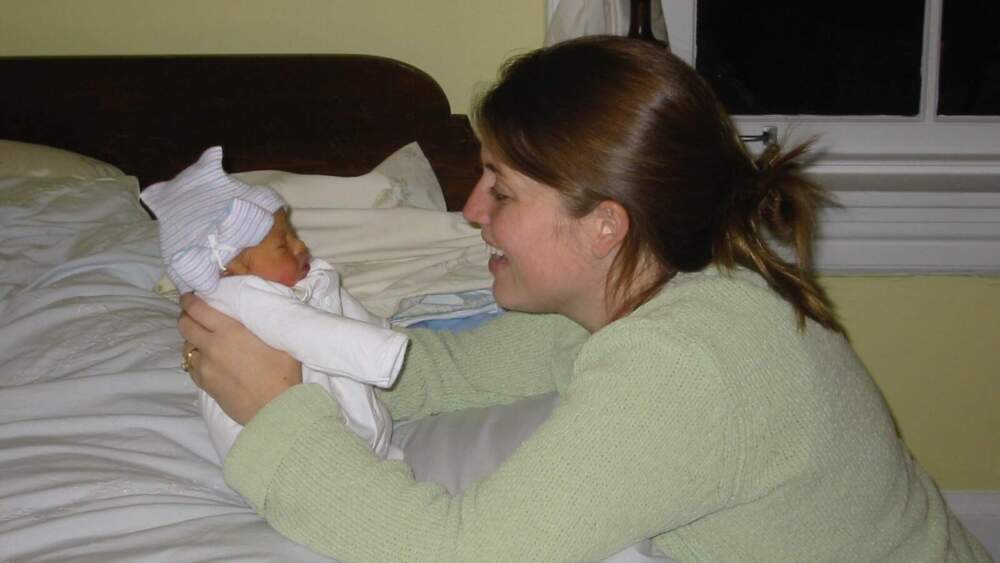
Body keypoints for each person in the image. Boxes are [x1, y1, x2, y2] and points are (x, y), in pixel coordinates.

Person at [178, 37, 991, 562]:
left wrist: (281, 421)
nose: (470, 210)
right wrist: (293, 347)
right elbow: (439, 374)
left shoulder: (688, 363)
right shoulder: (672, 278)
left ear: (605, 225)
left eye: (501, 187)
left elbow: (459, 550)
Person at [143, 146, 407, 461]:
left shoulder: (295, 283)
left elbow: (342, 311)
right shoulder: (242, 296)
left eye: (293, 234)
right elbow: (307, 329)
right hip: (285, 443)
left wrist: (378, 327)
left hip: (326, 421)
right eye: (283, 244)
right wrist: (380, 351)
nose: (301, 245)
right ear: (230, 267)